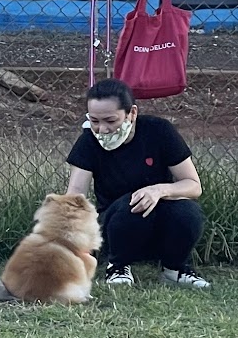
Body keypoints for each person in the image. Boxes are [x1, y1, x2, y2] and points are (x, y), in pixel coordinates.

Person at [64, 77, 210, 288]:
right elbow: (75, 194)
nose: (102, 129)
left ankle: (175, 268)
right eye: (94, 121)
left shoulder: (159, 131)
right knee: (133, 204)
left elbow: (193, 186)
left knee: (188, 211)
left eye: (110, 121)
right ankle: (117, 266)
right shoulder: (88, 141)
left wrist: (158, 190)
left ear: (132, 113)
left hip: (161, 218)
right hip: (115, 224)